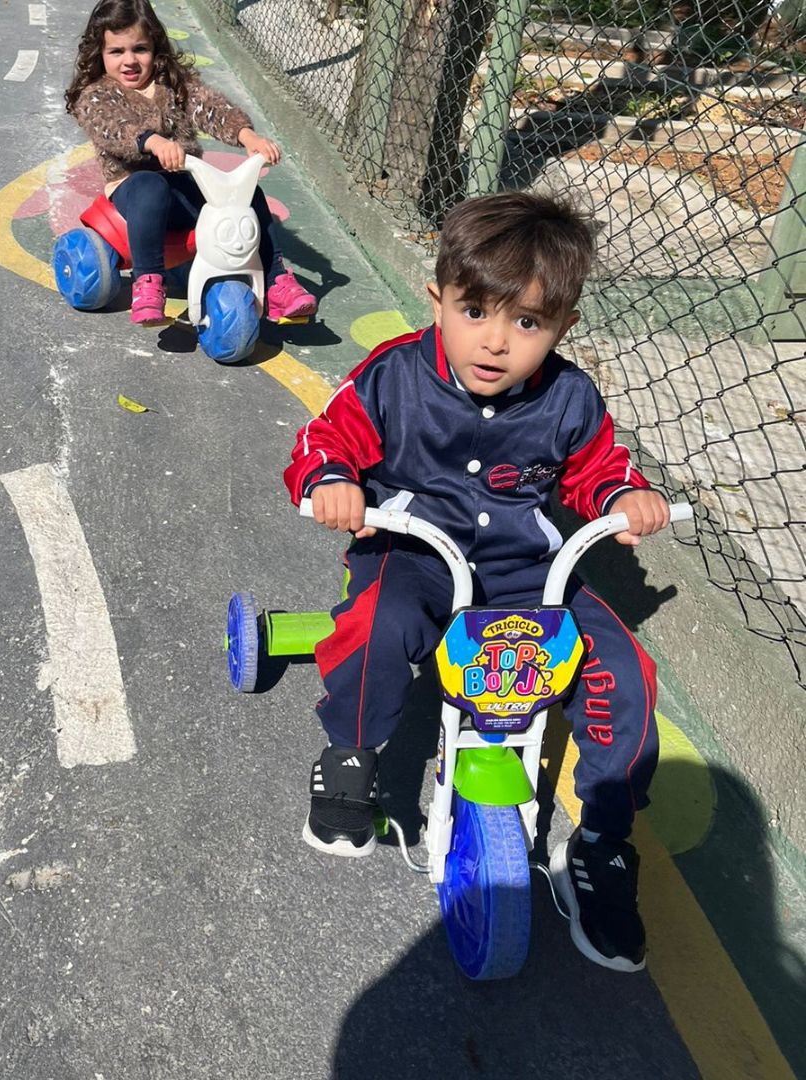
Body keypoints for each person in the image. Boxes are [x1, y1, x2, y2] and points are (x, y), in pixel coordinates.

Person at [283, 191, 671, 974]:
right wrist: (332, 480)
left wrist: (622, 496)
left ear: (563, 327)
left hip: (526, 571)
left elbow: (597, 466)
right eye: (474, 311)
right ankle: (351, 753)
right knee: (379, 625)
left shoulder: (569, 397)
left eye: (527, 324)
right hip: (412, 551)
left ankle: (600, 841)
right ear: (437, 301)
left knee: (625, 673)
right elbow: (328, 437)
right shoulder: (393, 375)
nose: (496, 342)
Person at [65, 0, 317, 326]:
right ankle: (149, 282)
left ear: (155, 47)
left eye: (140, 49)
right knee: (150, 185)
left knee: (245, 194)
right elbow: (112, 126)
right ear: (100, 53)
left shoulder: (173, 83)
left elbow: (210, 108)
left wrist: (247, 136)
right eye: (117, 51)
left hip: (185, 182)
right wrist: (151, 142)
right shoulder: (97, 95)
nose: (129, 60)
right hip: (133, 189)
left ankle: (276, 281)